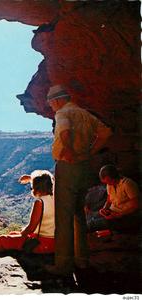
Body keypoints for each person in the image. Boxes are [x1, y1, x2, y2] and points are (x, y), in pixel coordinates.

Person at [44, 84, 113, 276]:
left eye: (50, 103)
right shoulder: (84, 114)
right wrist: (90, 151)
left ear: (57, 100)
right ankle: (82, 260)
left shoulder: (63, 113)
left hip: (67, 165)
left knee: (64, 216)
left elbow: (65, 131)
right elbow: (106, 133)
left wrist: (69, 150)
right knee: (78, 214)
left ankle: (63, 266)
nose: (51, 107)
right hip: (84, 166)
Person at [0, 170, 55, 262]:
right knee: (12, 234)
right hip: (52, 242)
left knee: (2, 240)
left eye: (32, 185)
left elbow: (31, 228)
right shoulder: (55, 198)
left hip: (42, 244)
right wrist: (31, 178)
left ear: (36, 187)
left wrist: (22, 234)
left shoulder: (39, 202)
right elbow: (49, 178)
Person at [97, 164, 139, 231]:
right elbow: (109, 200)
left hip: (125, 215)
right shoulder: (109, 184)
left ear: (114, 177)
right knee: (94, 218)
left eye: (109, 181)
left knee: (96, 224)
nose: (108, 184)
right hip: (113, 212)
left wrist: (119, 214)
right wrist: (105, 208)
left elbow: (137, 205)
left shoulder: (127, 184)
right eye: (106, 182)